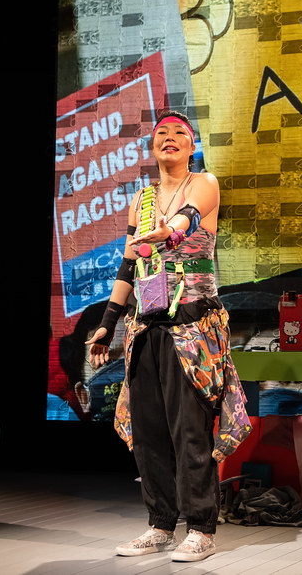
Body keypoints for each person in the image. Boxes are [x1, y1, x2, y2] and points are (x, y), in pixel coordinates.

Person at [84, 111, 249, 563]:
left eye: (180, 133)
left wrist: (169, 231)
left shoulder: (204, 182)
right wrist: (107, 321)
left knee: (189, 430)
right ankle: (159, 525)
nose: (170, 138)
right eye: (162, 134)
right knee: (150, 430)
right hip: (146, 325)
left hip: (193, 329)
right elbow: (129, 265)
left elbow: (189, 221)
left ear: (192, 146)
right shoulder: (141, 200)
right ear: (152, 148)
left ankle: (202, 529)